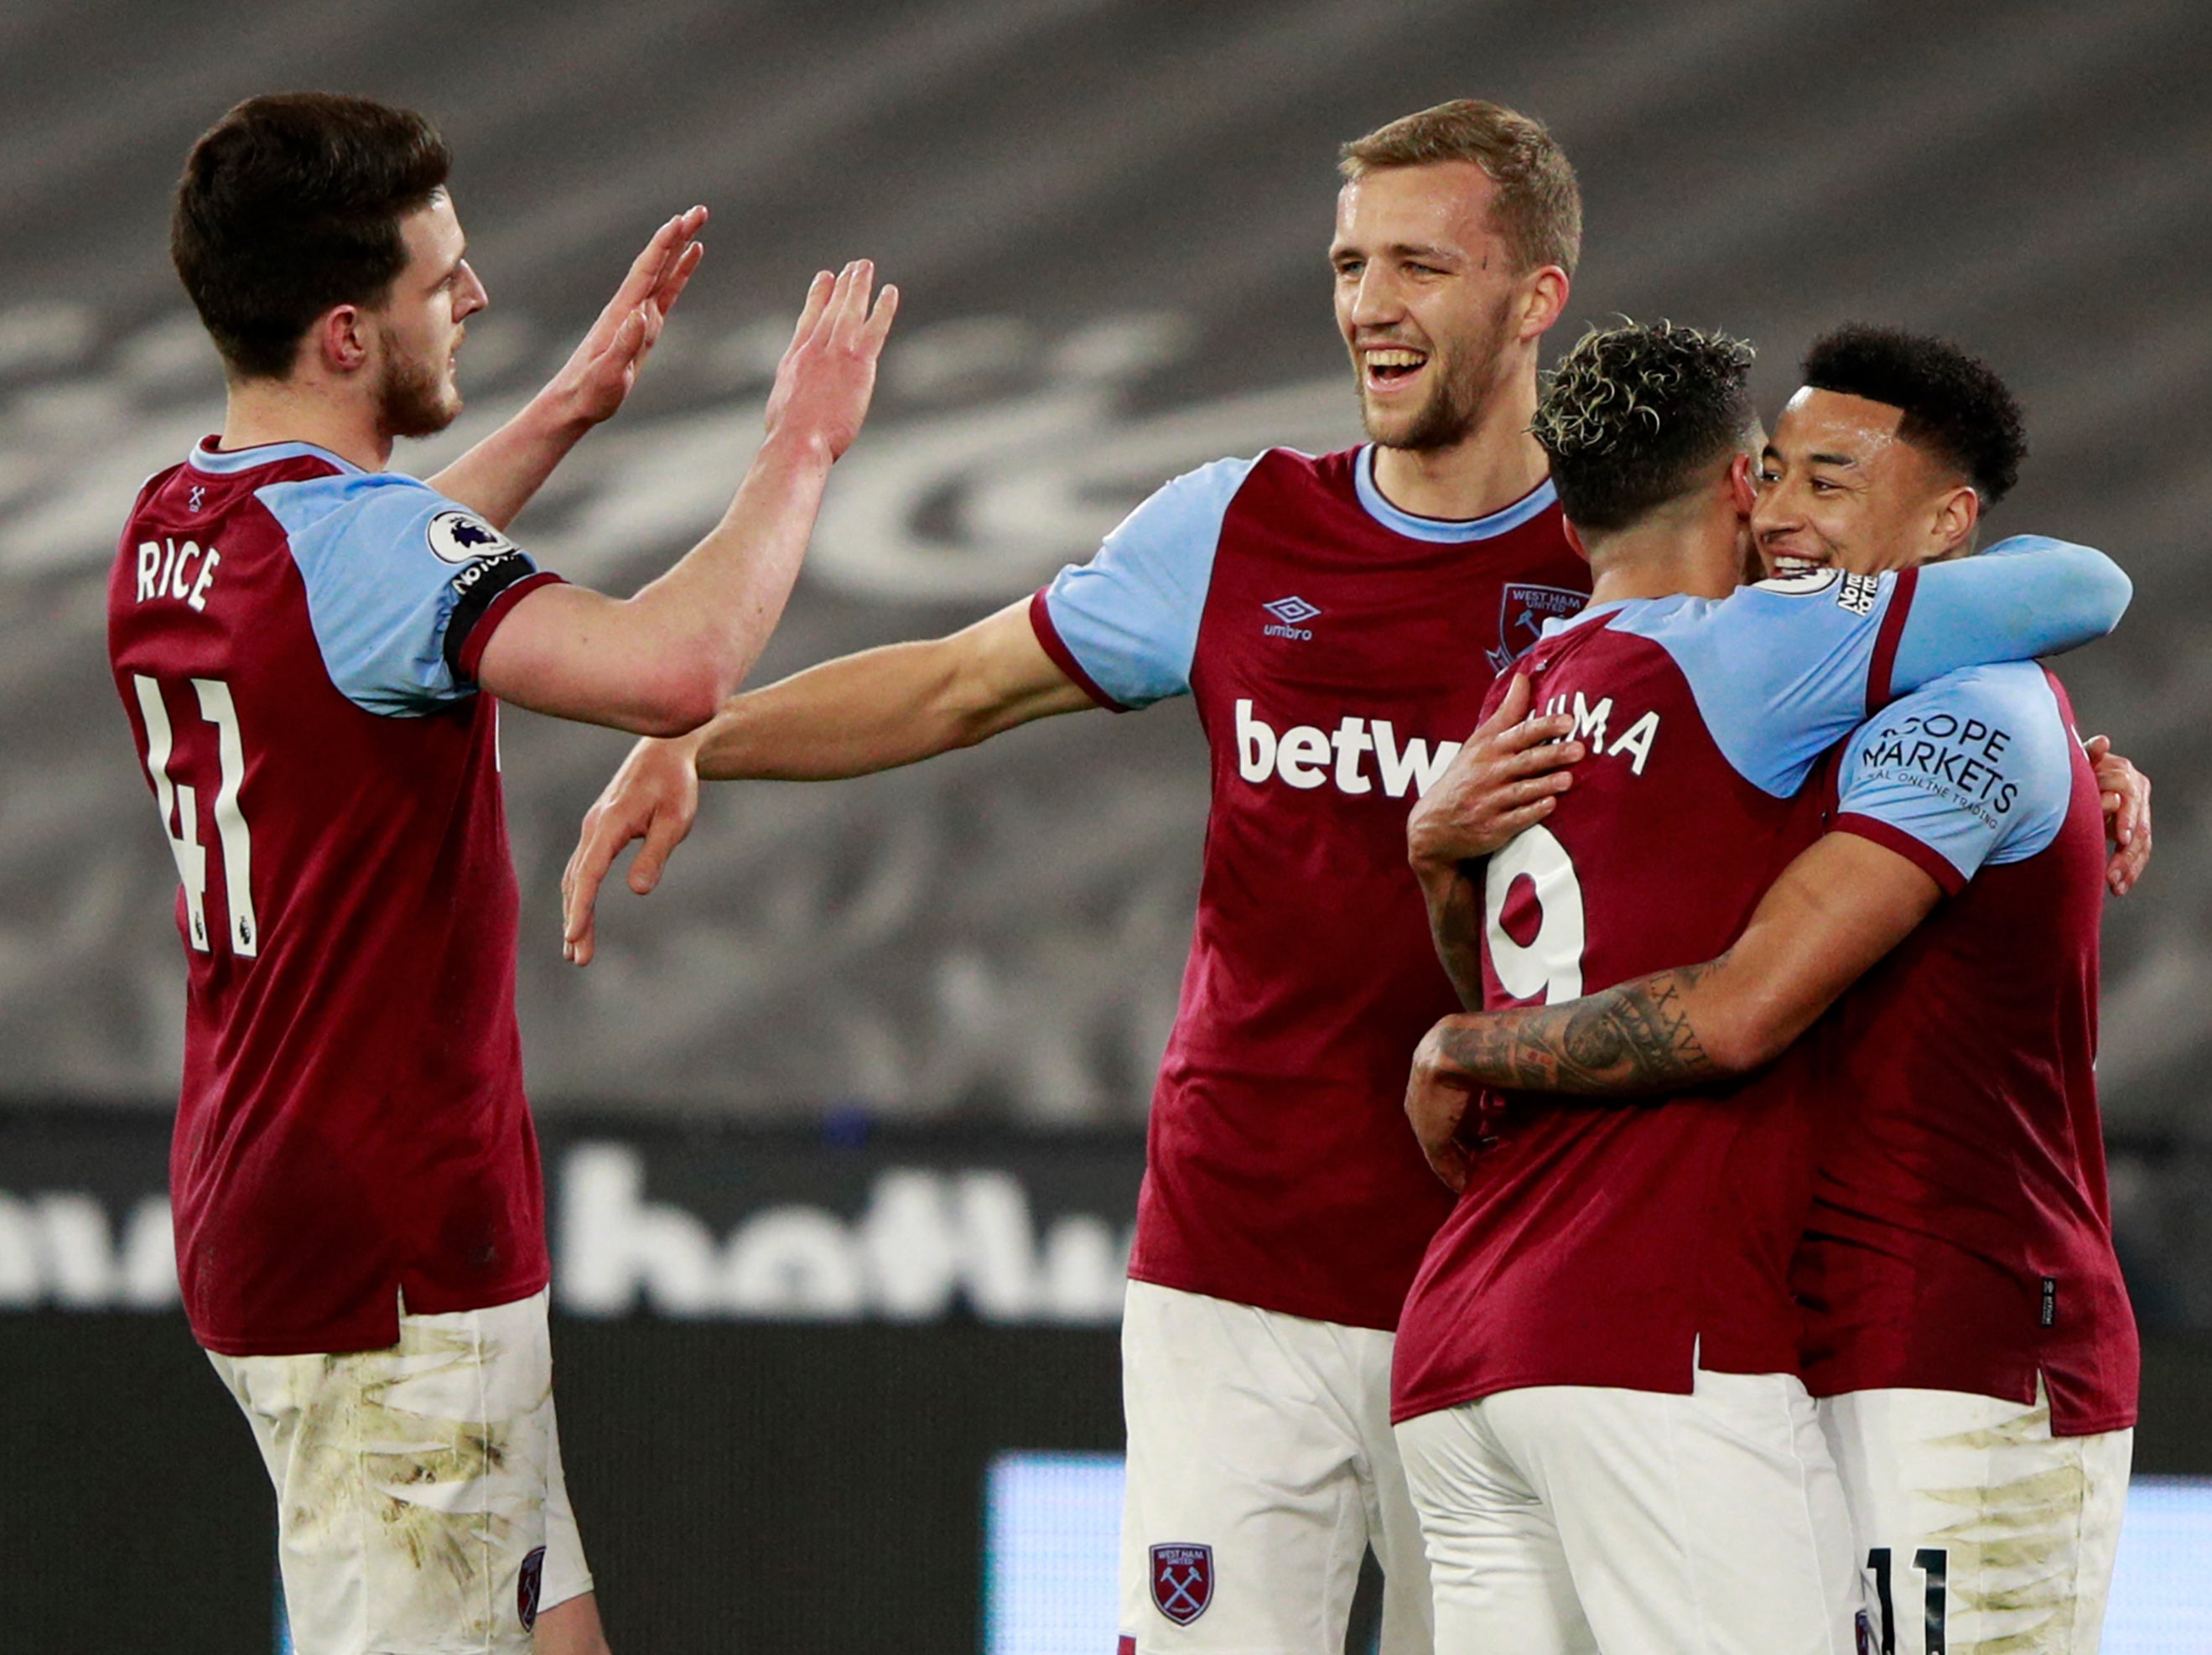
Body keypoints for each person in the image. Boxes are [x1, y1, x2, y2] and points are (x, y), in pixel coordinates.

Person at [562, 98, 1590, 1655]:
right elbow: (959, 683)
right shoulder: (1236, 527)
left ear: (1535, 299)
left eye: (1419, 266)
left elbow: (1866, 663)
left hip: (1514, 1270)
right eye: (1347, 263)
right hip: (1235, 1267)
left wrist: (2087, 766)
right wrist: (707, 737)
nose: (1369, 305)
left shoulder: (1638, 562)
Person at [107, 92, 894, 1655]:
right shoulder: (365, 553)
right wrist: (802, 443)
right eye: (438, 278)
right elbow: (672, 667)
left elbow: (375, 583)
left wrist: (573, 405)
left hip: (281, 1199)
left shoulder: (182, 519)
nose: (470, 295)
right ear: (346, 334)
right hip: (384, 1255)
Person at [1382, 319, 2130, 1654]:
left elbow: (1728, 1006)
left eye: (1824, 481)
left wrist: (1459, 1014)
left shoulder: (1555, 689)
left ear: (1950, 522)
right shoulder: (1777, 681)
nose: (1779, 509)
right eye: (1769, 471)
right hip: (1732, 1329)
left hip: (1947, 1347)